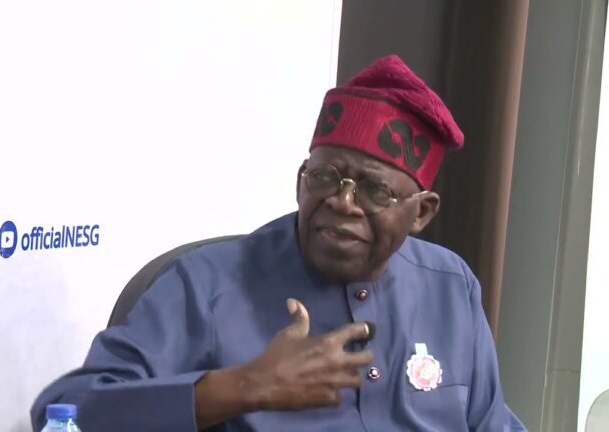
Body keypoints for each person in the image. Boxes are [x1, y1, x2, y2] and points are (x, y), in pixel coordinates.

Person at [30, 55, 527, 431]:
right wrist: (243, 387)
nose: (343, 203)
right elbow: (65, 411)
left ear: (421, 212)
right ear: (300, 180)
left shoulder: (450, 286)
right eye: (325, 177)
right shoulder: (207, 285)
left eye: (375, 191)